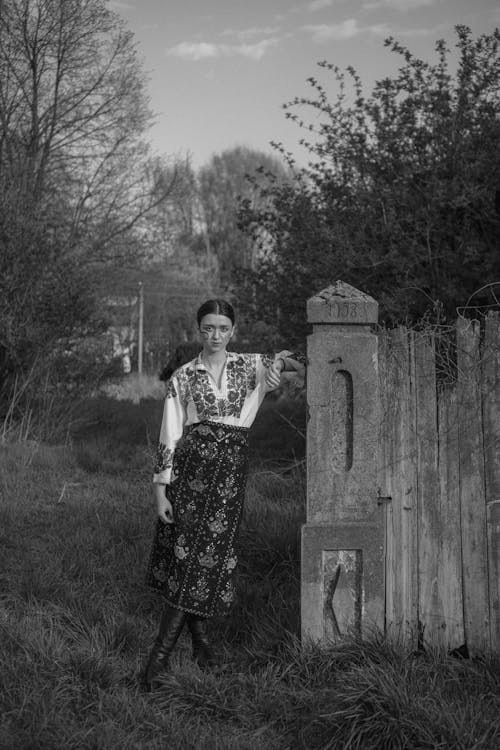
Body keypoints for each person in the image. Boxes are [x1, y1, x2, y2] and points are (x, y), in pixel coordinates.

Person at [142, 298, 304, 690]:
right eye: (207, 328)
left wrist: (278, 364)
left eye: (222, 329)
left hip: (229, 476)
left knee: (207, 560)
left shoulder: (251, 365)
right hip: (190, 475)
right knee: (189, 559)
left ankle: (200, 645)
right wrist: (160, 490)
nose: (215, 335)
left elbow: (302, 359)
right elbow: (170, 434)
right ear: (198, 331)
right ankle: (159, 662)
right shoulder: (182, 376)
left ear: (233, 331)